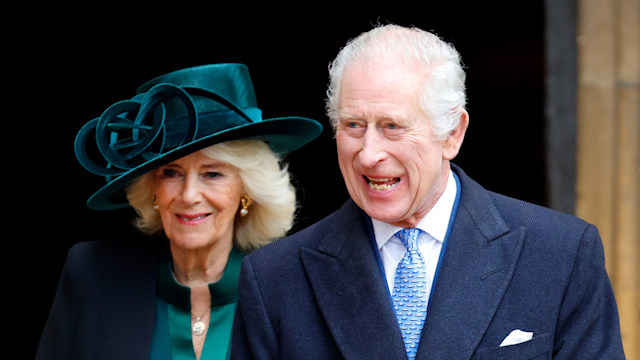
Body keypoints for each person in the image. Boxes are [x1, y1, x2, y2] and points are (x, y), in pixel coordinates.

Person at [231, 24, 625, 359]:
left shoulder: (561, 254)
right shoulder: (275, 279)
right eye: (353, 125)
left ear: (452, 134)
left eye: (392, 126)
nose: (368, 155)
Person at [36, 63, 322, 360]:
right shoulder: (91, 274)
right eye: (171, 173)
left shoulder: (294, 291)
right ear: (152, 190)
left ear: (246, 191)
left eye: (212, 174)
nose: (188, 195)